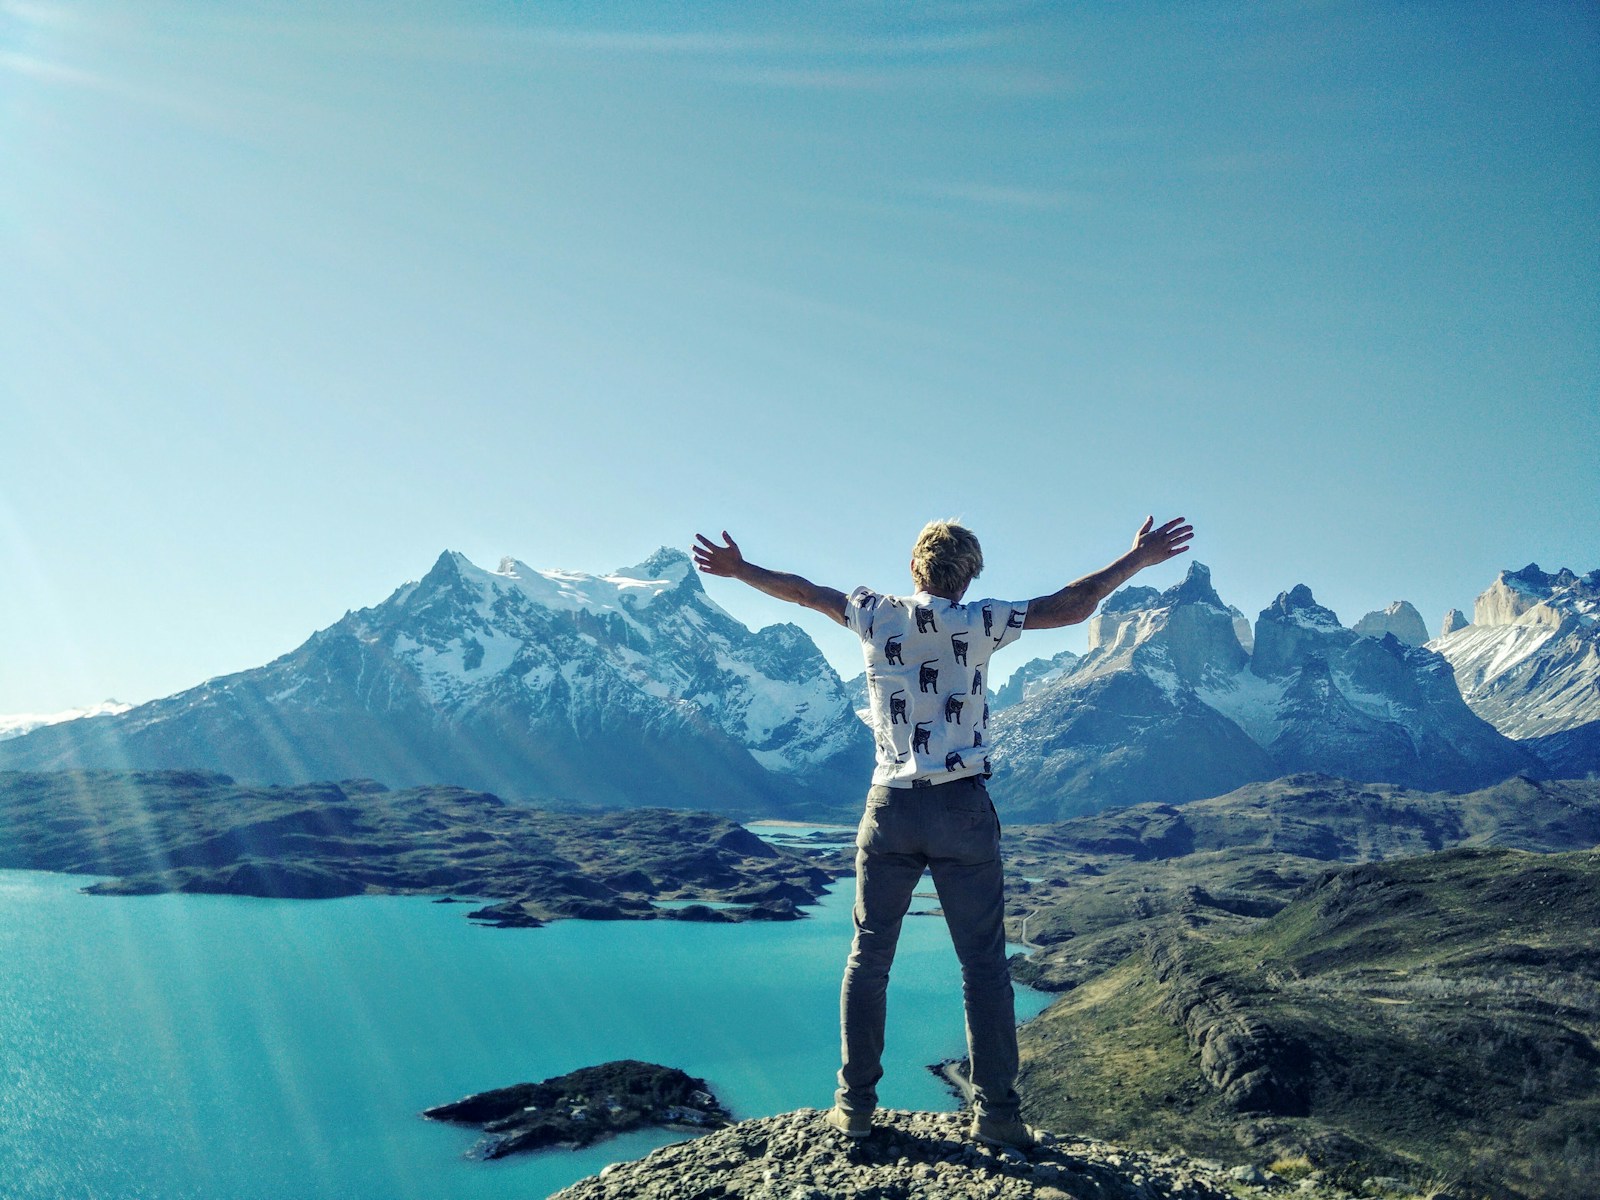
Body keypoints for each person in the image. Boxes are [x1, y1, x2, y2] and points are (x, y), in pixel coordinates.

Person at [690, 515, 1193, 1150]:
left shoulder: (874, 613)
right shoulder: (980, 621)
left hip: (889, 807)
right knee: (982, 965)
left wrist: (740, 572)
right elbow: (1074, 606)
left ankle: (854, 1106)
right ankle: (998, 1115)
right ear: (970, 574)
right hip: (962, 811)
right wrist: (1137, 559)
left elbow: (803, 590)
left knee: (869, 958)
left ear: (914, 569)